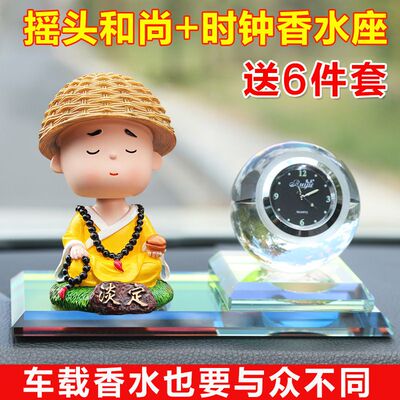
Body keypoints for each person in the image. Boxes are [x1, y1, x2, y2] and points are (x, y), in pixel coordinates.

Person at [38, 72, 176, 313]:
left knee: (150, 267)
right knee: (77, 266)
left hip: (131, 264)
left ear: (154, 159)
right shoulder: (83, 217)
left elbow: (150, 240)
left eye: (131, 151)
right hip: (94, 264)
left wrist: (155, 247)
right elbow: (71, 238)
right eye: (92, 151)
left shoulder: (138, 216)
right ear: (59, 161)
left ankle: (129, 287)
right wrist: (76, 246)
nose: (113, 157)